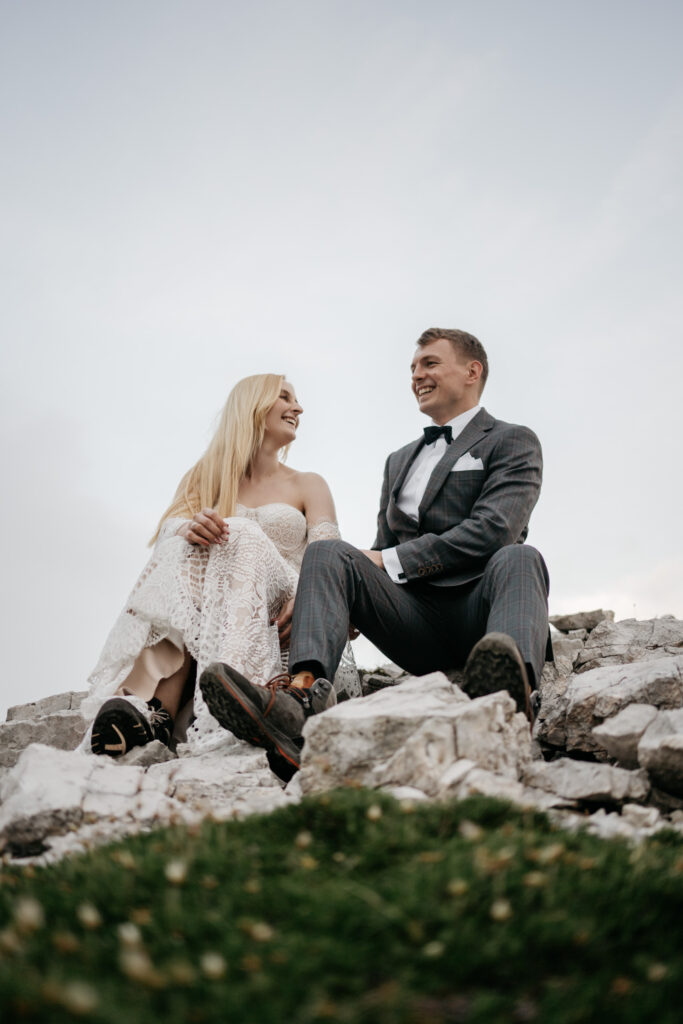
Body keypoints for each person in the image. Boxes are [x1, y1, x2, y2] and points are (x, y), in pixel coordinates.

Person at [198, 329, 551, 778]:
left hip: (484, 612)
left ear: (471, 371)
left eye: (429, 363)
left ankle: (511, 697)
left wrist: (386, 561)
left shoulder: (513, 440)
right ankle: (299, 701)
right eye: (413, 368)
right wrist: (337, 599)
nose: (416, 375)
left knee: (520, 556)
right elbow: (381, 547)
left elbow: (495, 530)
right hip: (414, 623)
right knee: (328, 553)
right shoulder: (398, 461)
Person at [82, 373, 360, 760]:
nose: (298, 408)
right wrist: (189, 528)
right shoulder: (204, 477)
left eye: (296, 400)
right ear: (253, 405)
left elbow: (329, 556)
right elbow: (166, 552)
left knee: (239, 534)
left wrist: (309, 599)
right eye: (284, 397)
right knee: (182, 542)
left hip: (288, 606)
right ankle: (156, 710)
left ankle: (240, 687)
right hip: (217, 611)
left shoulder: (309, 484)